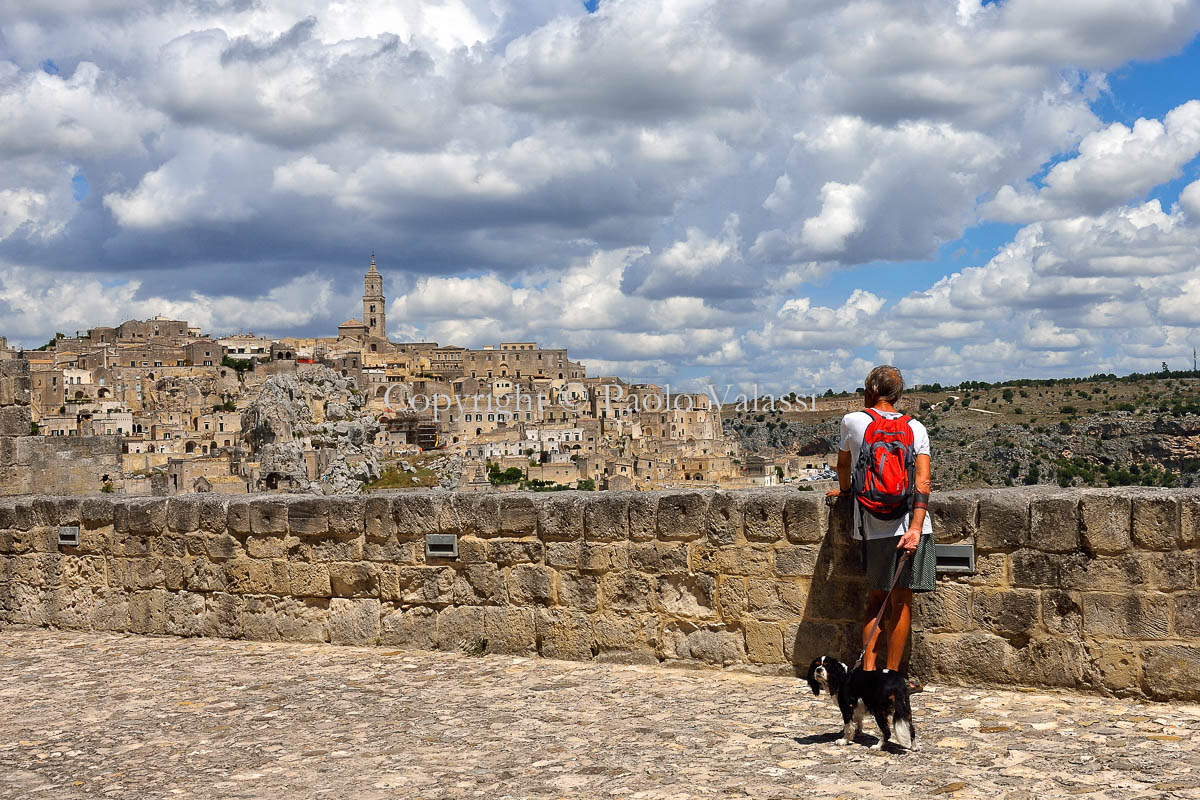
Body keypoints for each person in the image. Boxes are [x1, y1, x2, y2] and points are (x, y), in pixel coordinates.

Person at [825, 365, 935, 687]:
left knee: (875, 601)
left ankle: (867, 676)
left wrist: (845, 492)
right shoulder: (916, 428)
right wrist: (915, 529)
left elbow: (843, 465)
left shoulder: (853, 421)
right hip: (909, 523)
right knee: (900, 603)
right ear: (898, 395)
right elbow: (923, 482)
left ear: (869, 391)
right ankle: (893, 678)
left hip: (871, 525)